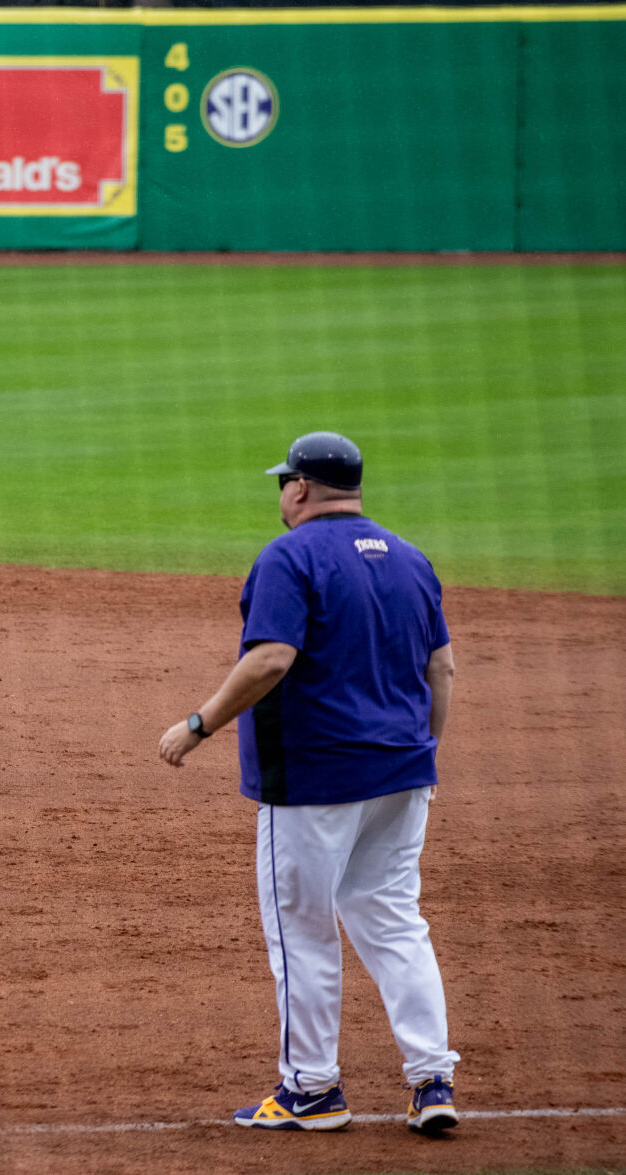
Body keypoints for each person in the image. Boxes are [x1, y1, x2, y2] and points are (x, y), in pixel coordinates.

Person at [157, 431, 460, 1135]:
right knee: (392, 920)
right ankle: (430, 1078)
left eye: (283, 483)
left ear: (299, 487)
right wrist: (424, 757)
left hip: (316, 779)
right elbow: (441, 670)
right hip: (402, 773)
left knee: (301, 931)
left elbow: (269, 660)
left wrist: (196, 725)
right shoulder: (411, 559)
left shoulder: (288, 556)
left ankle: (311, 1088)